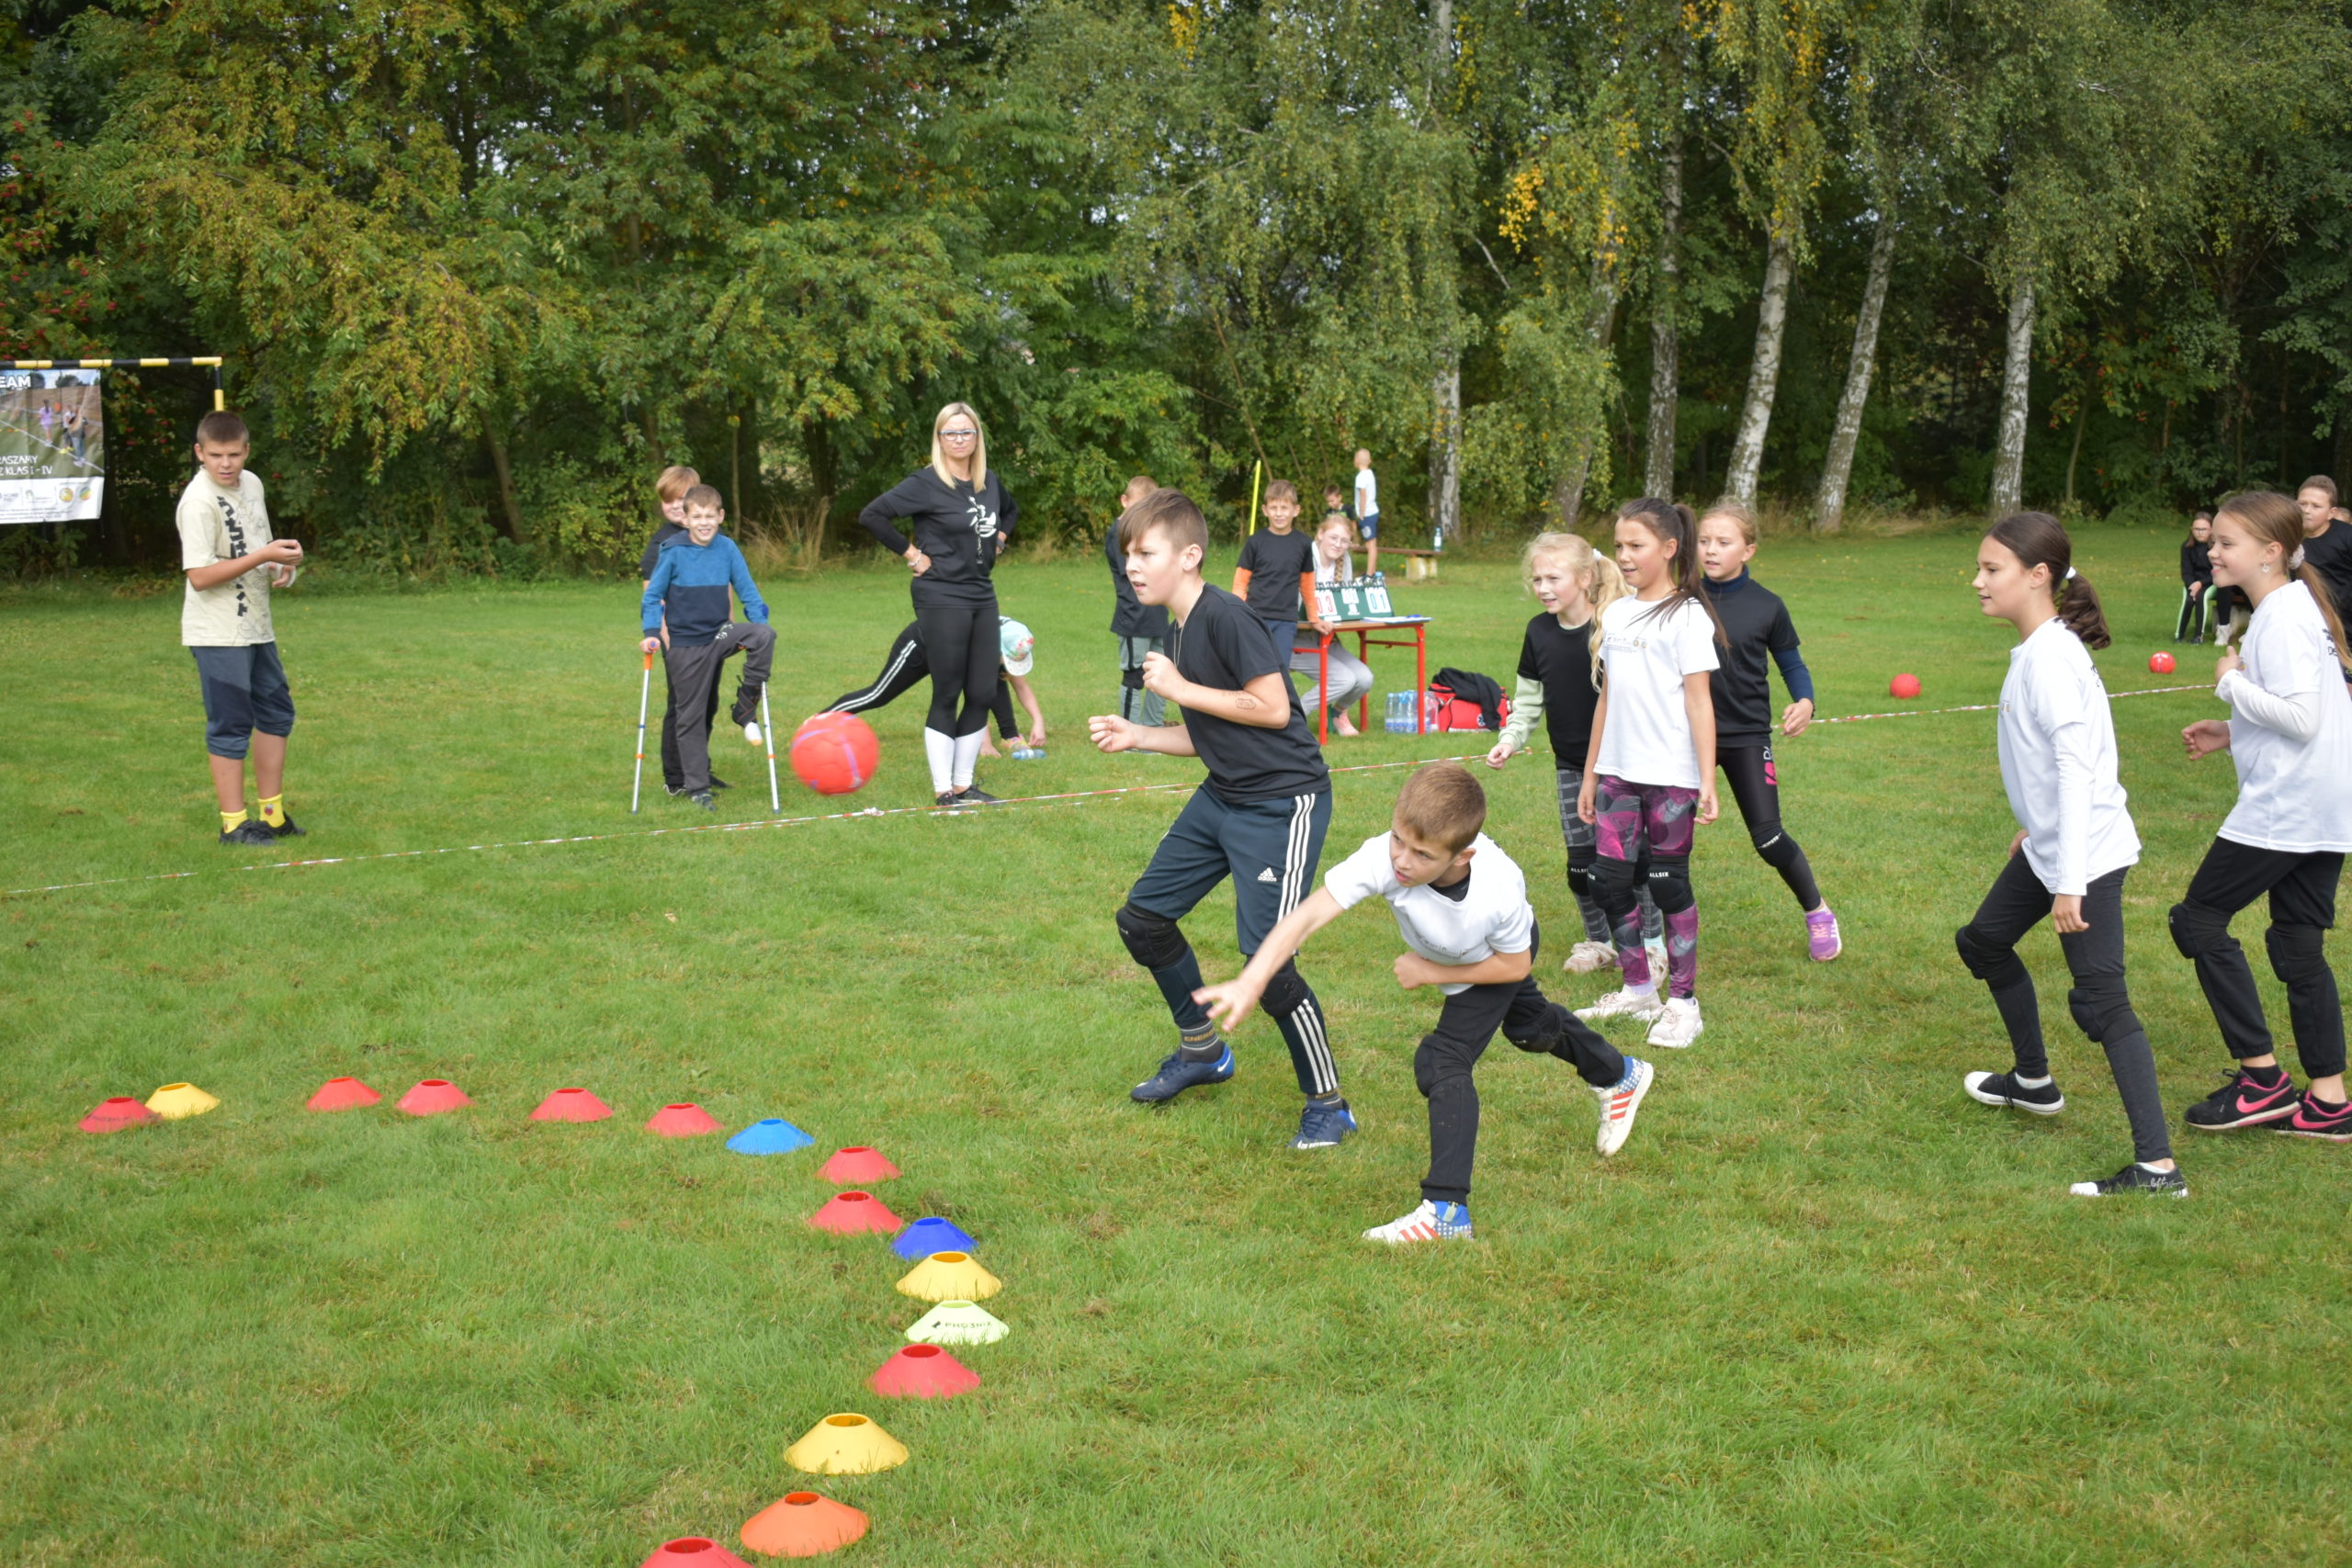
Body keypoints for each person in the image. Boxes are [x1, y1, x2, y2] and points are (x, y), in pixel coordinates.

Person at [1196, 763, 1654, 1244]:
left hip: (1495, 959)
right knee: (1531, 1029)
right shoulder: (1384, 856)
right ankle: (1619, 1074)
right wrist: (1251, 980)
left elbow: (1514, 968)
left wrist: (1433, 972)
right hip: (1463, 958)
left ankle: (1446, 1211)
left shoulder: (1498, 891)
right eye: (1398, 840)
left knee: (1442, 1061)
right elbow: (1307, 915)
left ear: (1462, 856)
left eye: (1422, 853)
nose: (1402, 861)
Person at [1087, 488, 1355, 1151]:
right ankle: (1202, 1048)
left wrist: (1176, 689)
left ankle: (1329, 1102)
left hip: (1282, 800)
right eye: (1128, 555)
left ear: (1190, 555)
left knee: (1270, 961)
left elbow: (1268, 709)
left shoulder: (1226, 616)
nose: (1133, 567)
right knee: (1143, 919)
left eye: (1146, 553)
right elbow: (1212, 725)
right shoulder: (1177, 624)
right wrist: (1140, 735)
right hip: (1225, 791)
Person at [1955, 512, 2182, 1197]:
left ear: (2038, 575)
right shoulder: (2040, 648)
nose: (1978, 581)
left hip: (2087, 855)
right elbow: (2054, 772)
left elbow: (2078, 769)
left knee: (2104, 1001)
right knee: (1984, 941)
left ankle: (2158, 1168)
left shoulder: (2053, 658)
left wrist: (2072, 880)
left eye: (1991, 569)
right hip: (2054, 844)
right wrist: (2036, 827)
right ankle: (2032, 1080)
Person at [2173, 490, 2351, 1141]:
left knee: (2196, 919)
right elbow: (2311, 709)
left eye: (2226, 543)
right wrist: (2233, 727)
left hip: (2292, 804)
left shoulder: (2281, 614)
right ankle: (2329, 1102)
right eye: (2212, 541)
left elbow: (2302, 718)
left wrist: (2228, 681)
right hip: (2327, 803)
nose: (2211, 551)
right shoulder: (2296, 605)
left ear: (2271, 553)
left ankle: (2262, 1080)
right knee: (2298, 942)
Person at [1572, 499, 1724, 1050]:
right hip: (1616, 774)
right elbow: (1606, 699)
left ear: (1668, 548)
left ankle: (1683, 1001)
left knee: (1667, 883)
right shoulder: (1614, 613)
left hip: (1671, 779)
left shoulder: (1687, 616)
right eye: (1619, 547)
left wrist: (1706, 780)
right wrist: (1591, 774)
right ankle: (1639, 990)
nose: (1625, 556)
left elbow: (1700, 703)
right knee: (1609, 884)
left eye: (1636, 546)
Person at [1486, 531, 1664, 976]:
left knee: (1634, 861)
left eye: (1552, 577)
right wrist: (1509, 740)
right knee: (1582, 865)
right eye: (1537, 579)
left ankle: (1653, 943)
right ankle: (1598, 941)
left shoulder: (1615, 625)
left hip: (1625, 764)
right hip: (1570, 765)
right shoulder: (1537, 631)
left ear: (1585, 577)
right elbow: (1528, 700)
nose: (1543, 587)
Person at [1695, 503, 1842, 960]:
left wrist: (1806, 702)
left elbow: (1792, 664)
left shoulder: (1767, 605)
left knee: (1769, 837)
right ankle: (1658, 938)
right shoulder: (1681, 598)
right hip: (1685, 735)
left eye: (1723, 542)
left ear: (1748, 549)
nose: (1711, 550)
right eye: (1704, 541)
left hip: (1745, 736)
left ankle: (1817, 912)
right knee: (1665, 838)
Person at [858, 401, 1017, 807]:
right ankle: (943, 791)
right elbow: (873, 515)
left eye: (966, 432)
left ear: (977, 437)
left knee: (982, 691)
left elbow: (1010, 511)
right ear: (939, 439)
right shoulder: (926, 483)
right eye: (951, 433)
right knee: (948, 691)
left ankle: (965, 785)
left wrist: (999, 538)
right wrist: (912, 555)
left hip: (982, 593)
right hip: (941, 595)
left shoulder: (988, 482)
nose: (959, 439)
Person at [177, 411, 307, 847]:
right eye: (215, 455)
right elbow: (199, 575)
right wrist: (261, 556)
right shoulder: (197, 503)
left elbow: (255, 547)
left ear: (247, 451)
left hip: (257, 626)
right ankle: (234, 825)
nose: (226, 464)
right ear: (200, 453)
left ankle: (271, 817)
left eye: (234, 454)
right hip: (217, 633)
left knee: (276, 714)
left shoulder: (252, 483)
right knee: (231, 726)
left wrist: (277, 564)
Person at [639, 485, 775, 811]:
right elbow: (651, 596)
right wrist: (651, 631)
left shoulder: (727, 549)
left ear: (720, 516)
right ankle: (697, 787)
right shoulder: (671, 550)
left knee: (764, 636)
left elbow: (749, 592)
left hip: (719, 633)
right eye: (697, 516)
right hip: (685, 644)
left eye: (710, 516)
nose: (704, 523)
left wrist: (759, 622)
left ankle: (745, 705)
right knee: (691, 716)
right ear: (685, 519)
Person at [822, 616, 1044, 761]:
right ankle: (819, 721)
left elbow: (1020, 685)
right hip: (921, 645)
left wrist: (1038, 722)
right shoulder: (974, 644)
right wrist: (983, 743)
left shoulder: (1012, 636)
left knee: (996, 674)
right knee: (879, 695)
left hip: (951, 647)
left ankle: (1010, 736)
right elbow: (974, 696)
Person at [639, 465, 732, 796]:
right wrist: (667, 642)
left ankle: (699, 768)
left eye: (683, 499)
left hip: (712, 636)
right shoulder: (662, 545)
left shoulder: (712, 541)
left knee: (708, 702)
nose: (676, 506)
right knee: (683, 706)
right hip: (679, 640)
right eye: (669, 501)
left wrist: (729, 629)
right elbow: (653, 597)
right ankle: (676, 777)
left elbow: (725, 588)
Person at [1293, 512, 1373, 737]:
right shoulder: (1303, 556)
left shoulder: (1344, 560)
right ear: (1320, 534)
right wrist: (1314, 618)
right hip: (1294, 637)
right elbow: (1292, 603)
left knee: (1364, 678)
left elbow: (1341, 601)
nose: (1338, 545)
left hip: (1325, 637)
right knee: (1344, 679)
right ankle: (1292, 715)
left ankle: (1338, 713)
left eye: (1344, 541)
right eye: (1333, 538)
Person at [1232, 479, 1319, 665]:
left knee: (1279, 670)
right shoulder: (1255, 542)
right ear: (1265, 510)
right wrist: (1238, 612)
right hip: (1255, 617)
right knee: (1252, 667)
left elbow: (1307, 584)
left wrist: (1314, 617)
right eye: (1274, 508)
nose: (1279, 514)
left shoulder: (1304, 544)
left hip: (1285, 621)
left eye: (1284, 508)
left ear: (1296, 510)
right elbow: (1240, 582)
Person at [1108, 473, 1170, 728]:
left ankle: (1153, 727)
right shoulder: (1119, 534)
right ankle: (1128, 731)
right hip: (1133, 618)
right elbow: (1138, 572)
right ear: (1125, 501)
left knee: (1161, 675)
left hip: (1158, 616)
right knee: (1135, 675)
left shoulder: (1147, 535)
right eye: (1138, 506)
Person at [2292, 477, 2352, 665]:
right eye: (2302, 503)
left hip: (2345, 628)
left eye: (2316, 506)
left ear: (2331, 513)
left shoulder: (2347, 537)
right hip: (2305, 627)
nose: (2306, 511)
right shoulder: (2287, 538)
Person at [2177, 509, 2218, 643]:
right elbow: (2186, 571)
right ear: (2191, 529)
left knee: (2201, 598)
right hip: (2192, 583)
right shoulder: (2186, 547)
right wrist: (2192, 585)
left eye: (2204, 529)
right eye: (2197, 529)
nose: (2200, 532)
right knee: (2188, 600)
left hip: (2211, 582)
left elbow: (2217, 571)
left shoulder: (2216, 547)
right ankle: (2179, 635)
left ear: (2211, 529)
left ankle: (2198, 636)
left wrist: (2200, 584)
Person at [1352, 448, 1382, 578]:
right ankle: (1373, 571)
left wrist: (1361, 514)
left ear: (1357, 461)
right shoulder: (1370, 473)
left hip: (1367, 513)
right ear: (1369, 461)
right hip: (1373, 511)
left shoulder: (1360, 477)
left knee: (1370, 545)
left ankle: (1370, 574)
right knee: (1372, 543)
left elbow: (1363, 495)